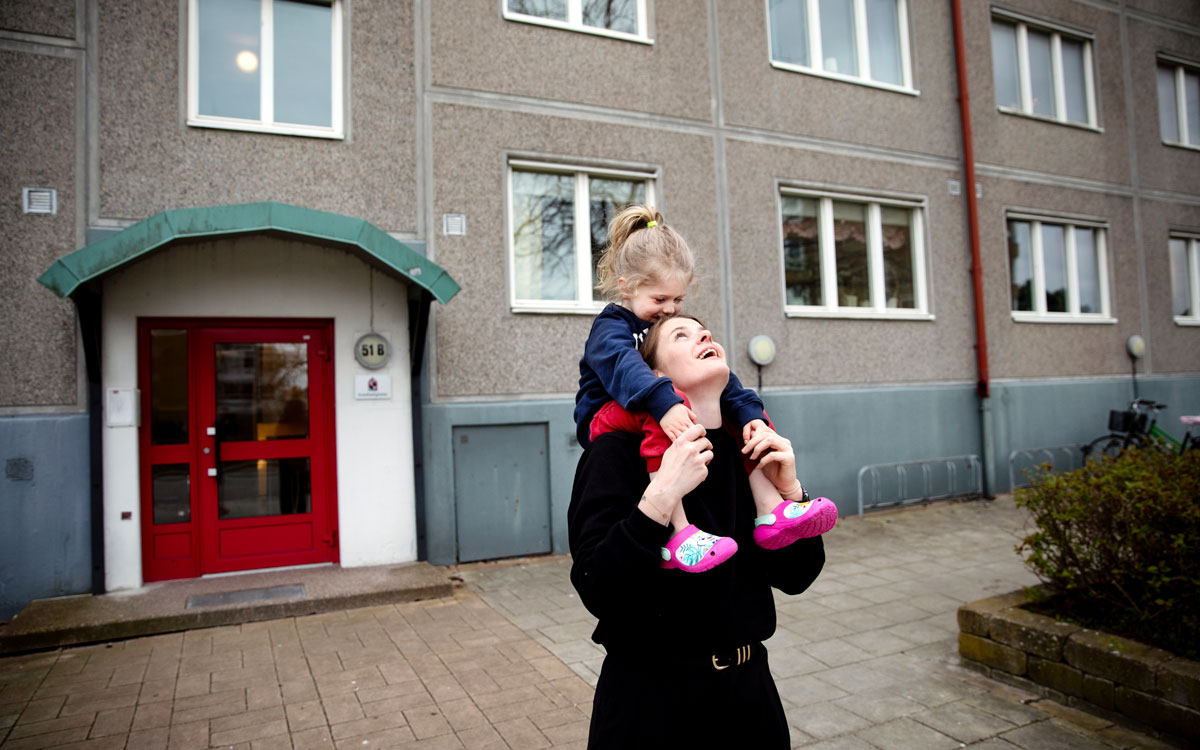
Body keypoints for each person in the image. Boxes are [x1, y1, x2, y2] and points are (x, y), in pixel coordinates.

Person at [569, 314, 827, 748]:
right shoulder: (616, 453)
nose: (704, 335)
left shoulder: (749, 452)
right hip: (652, 707)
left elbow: (798, 576)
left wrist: (791, 492)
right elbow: (598, 588)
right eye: (680, 335)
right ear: (651, 376)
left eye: (705, 331)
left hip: (750, 700)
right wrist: (660, 498)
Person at [575, 205, 835, 571]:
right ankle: (679, 532)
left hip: (745, 628)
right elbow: (626, 367)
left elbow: (799, 576)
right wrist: (663, 405)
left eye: (678, 301)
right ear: (627, 288)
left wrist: (753, 420)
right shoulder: (612, 327)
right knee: (657, 414)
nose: (670, 311)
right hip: (607, 414)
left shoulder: (724, 440)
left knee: (749, 430)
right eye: (661, 301)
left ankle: (773, 510)